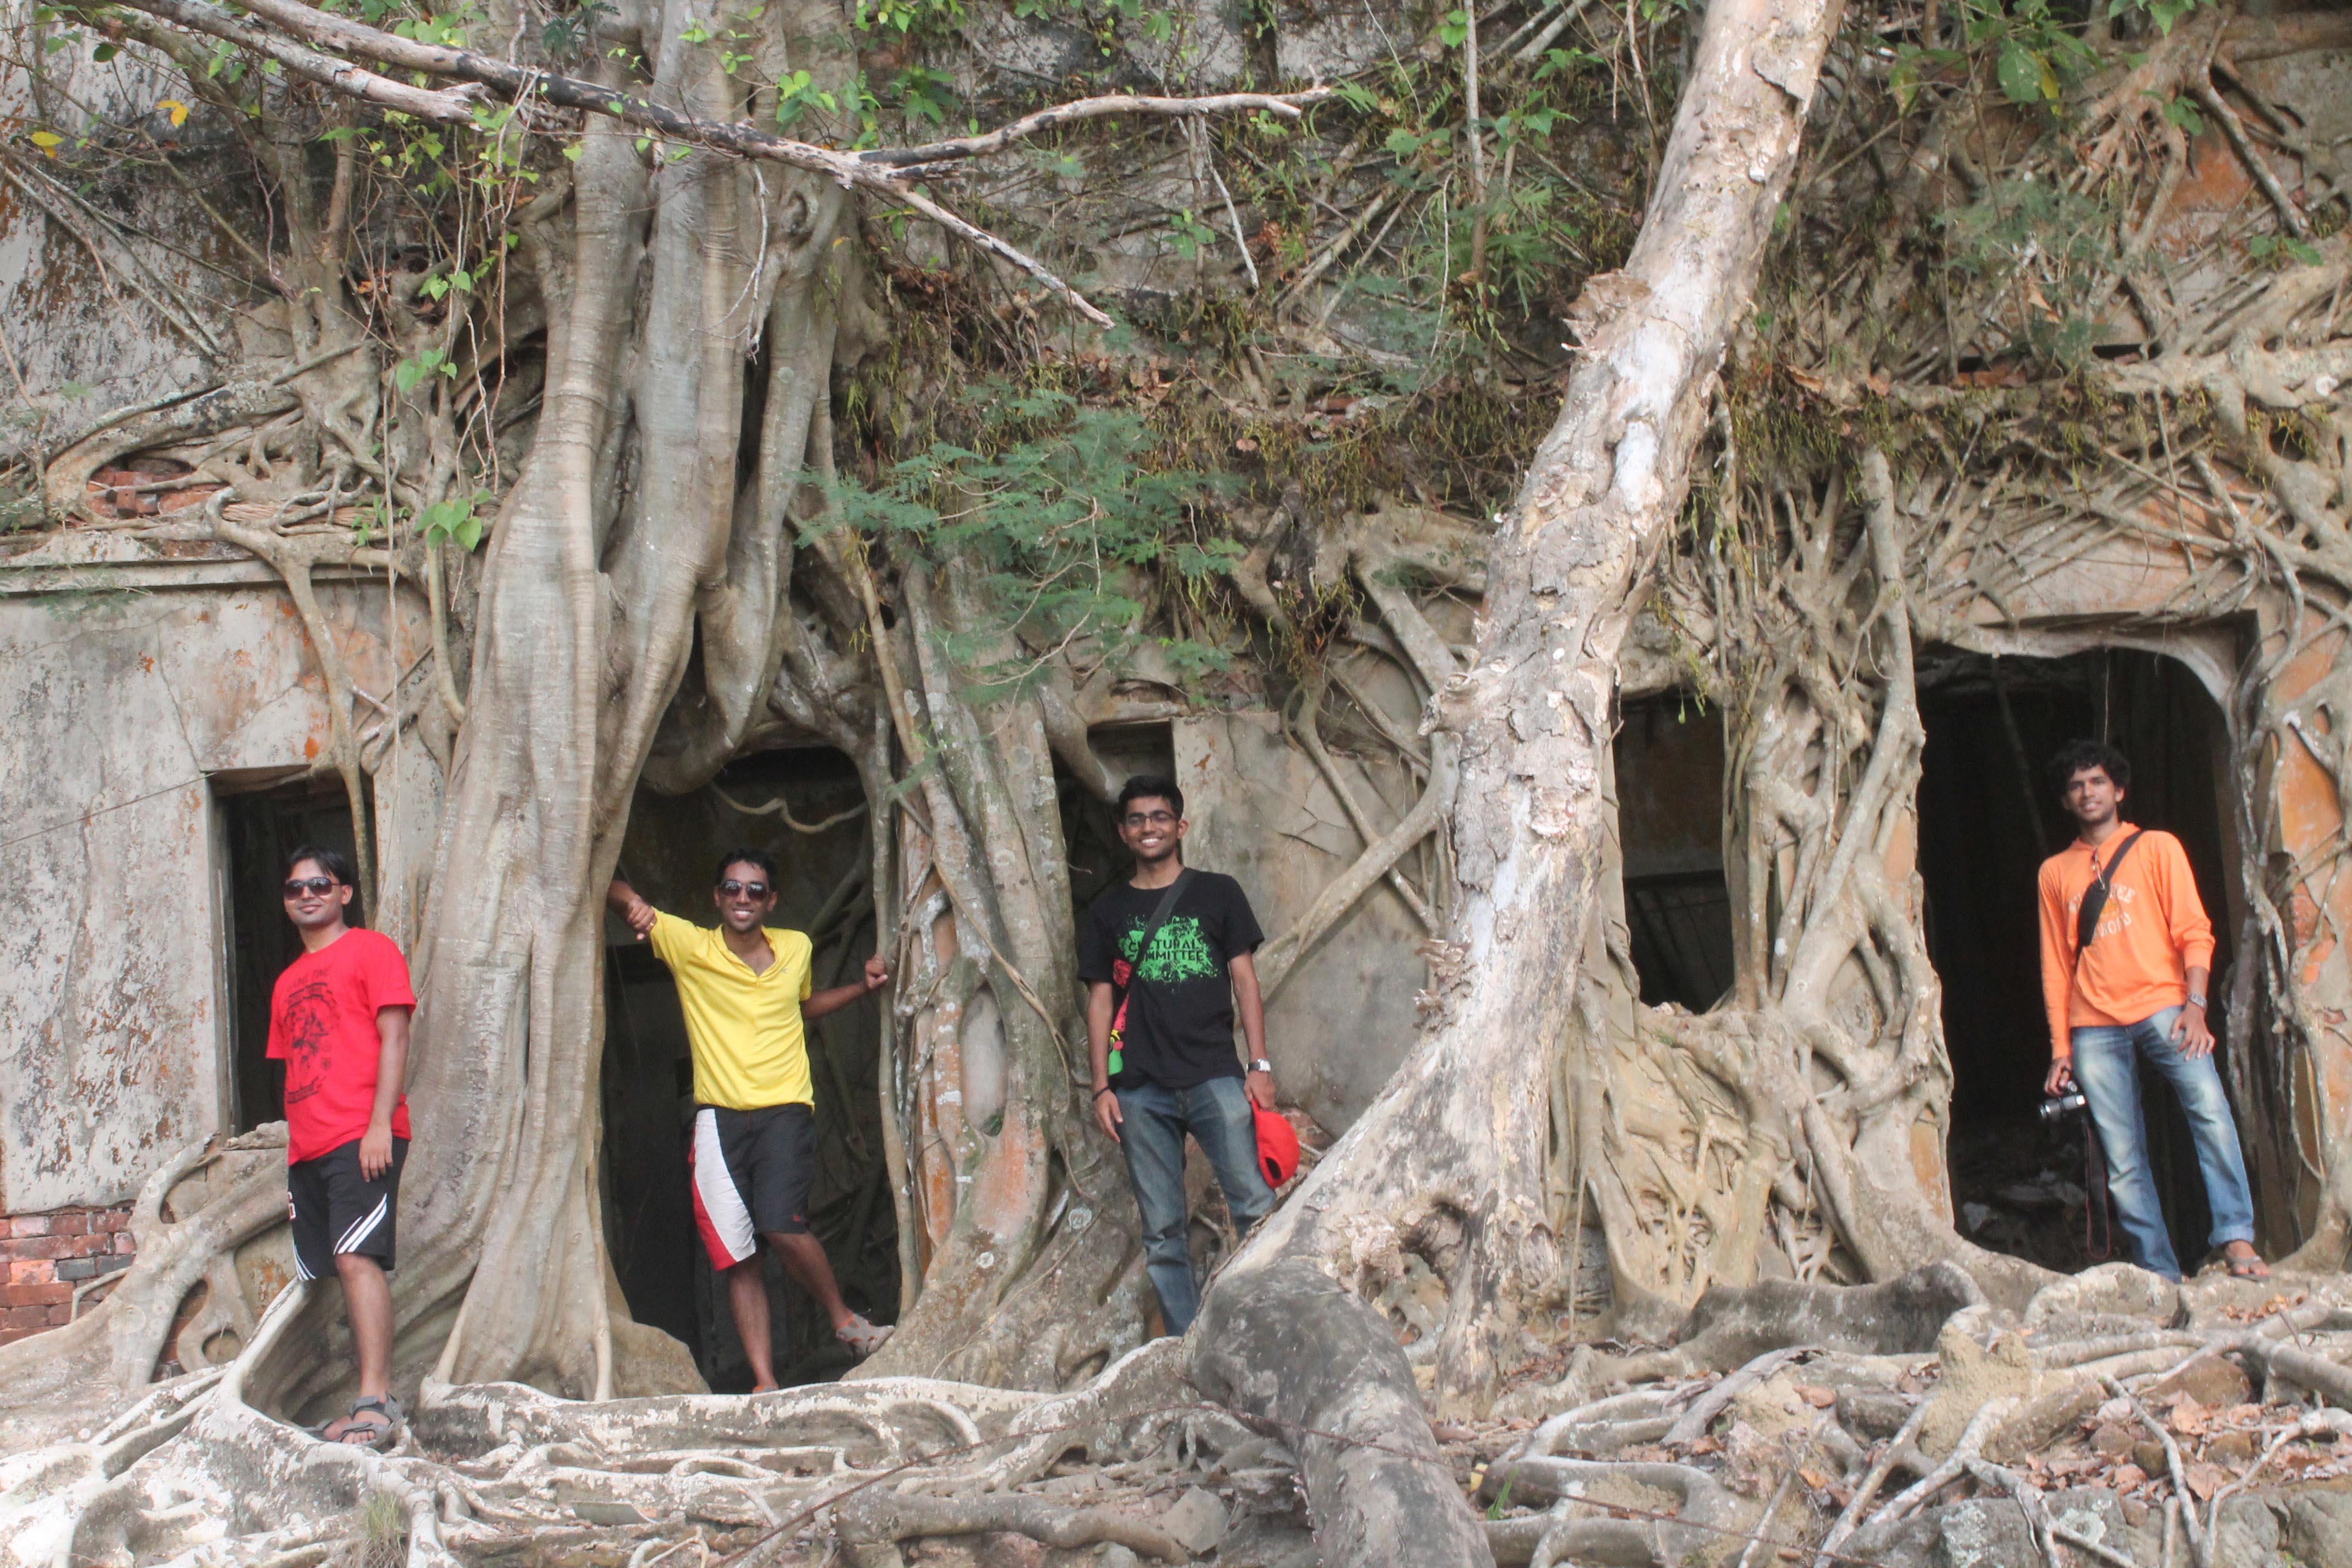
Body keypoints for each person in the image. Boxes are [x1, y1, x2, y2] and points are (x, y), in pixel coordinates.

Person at [607, 848, 894, 1389]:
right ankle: (765, 1382)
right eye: (733, 889)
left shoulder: (797, 947)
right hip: (719, 1121)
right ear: (718, 897)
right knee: (737, 1256)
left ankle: (845, 1321)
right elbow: (609, 887)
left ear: (772, 900)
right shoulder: (691, 946)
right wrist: (636, 903)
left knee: (780, 1226)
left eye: (755, 890)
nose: (744, 898)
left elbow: (799, 1006)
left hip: (785, 1109)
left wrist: (861, 988)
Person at [2037, 740, 2269, 1282]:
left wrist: (2195, 1004)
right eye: (2076, 786)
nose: (2087, 792)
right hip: (2093, 1024)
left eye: (2096, 781)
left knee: (2210, 1113)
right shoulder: (2055, 873)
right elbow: (2056, 967)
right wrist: (2060, 1049)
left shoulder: (2158, 848)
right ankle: (2159, 1275)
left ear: (2118, 789)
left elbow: (2195, 931)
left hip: (2166, 1007)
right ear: (2066, 802)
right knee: (2122, 1160)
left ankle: (2236, 1238)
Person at [1081, 775, 1278, 1335]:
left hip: (1216, 1074)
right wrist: (1101, 1087)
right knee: (1163, 1232)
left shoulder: (1218, 892)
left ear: (1180, 826)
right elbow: (1100, 1000)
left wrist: (1259, 1066)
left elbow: (1246, 981)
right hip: (1140, 1088)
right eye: (1138, 819)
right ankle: (1189, 1346)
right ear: (1124, 832)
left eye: (1160, 817)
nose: (1150, 828)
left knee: (1256, 1209)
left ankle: (1270, 1323)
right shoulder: (1109, 909)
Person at [269, 846, 415, 1447]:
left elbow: (396, 1034)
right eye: (296, 886)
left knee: (359, 1260)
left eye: (320, 884)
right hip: (310, 1150)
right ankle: (352, 1402)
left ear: (345, 892)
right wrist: (293, 1159)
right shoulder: (285, 982)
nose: (307, 894)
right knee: (328, 1272)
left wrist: (380, 1122)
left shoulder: (371, 950)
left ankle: (376, 1401)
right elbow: (294, 1073)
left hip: (363, 1136)